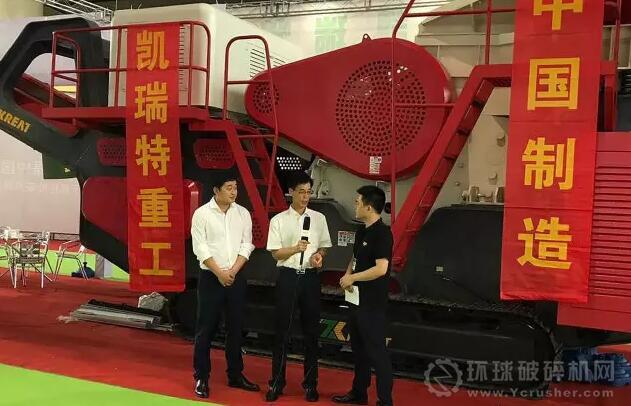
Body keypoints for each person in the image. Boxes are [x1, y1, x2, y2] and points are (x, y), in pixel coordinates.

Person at [191, 174, 260, 398]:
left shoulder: (242, 213)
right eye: (229, 188)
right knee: (206, 329)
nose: (233, 192)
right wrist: (220, 273)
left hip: (235, 276)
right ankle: (202, 377)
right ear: (216, 190)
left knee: (236, 328)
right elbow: (200, 248)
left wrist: (232, 271)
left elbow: (247, 244)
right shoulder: (202, 214)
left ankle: (235, 374)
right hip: (211, 277)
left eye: (235, 188)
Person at [265, 171, 332, 402]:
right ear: (291, 192)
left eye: (308, 192)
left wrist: (319, 256)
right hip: (288, 276)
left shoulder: (319, 218)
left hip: (310, 278)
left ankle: (311, 384)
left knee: (312, 333)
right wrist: (295, 248)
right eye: (301, 192)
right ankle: (277, 382)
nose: (305, 197)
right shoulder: (278, 220)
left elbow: (324, 247)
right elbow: (275, 253)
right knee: (282, 331)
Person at [332, 185, 394, 406]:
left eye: (358, 202)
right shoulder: (362, 231)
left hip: (372, 303)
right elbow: (355, 257)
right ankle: (359, 393)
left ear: (369, 207)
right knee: (359, 350)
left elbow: (381, 268)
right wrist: (347, 274)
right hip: (355, 300)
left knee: (377, 352)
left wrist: (354, 278)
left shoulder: (382, 234)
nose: (355, 206)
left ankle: (385, 400)